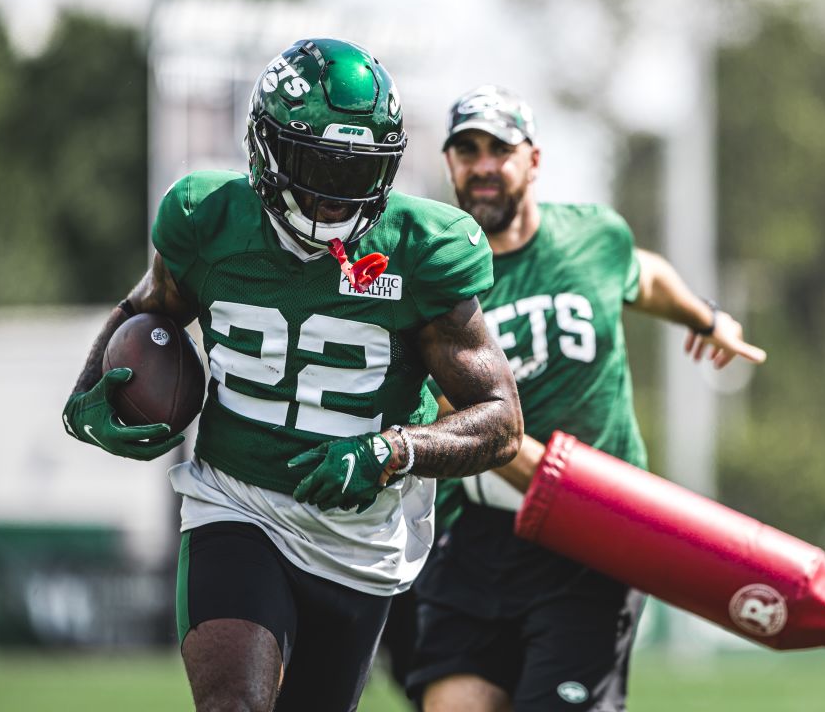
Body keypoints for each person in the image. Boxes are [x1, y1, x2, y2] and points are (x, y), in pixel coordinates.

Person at [60, 41, 523, 712]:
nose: (335, 196)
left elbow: (501, 421)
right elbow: (147, 309)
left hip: (359, 539)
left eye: (355, 169)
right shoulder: (208, 219)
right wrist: (86, 393)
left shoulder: (422, 251)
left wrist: (392, 450)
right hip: (238, 502)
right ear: (266, 148)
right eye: (315, 164)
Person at [406, 86, 767, 712]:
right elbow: (436, 405)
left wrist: (704, 317)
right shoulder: (435, 272)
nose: (483, 166)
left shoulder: (595, 237)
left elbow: (644, 274)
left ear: (534, 161)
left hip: (594, 542)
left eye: (500, 149)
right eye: (466, 150)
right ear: (451, 164)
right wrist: (535, 469)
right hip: (476, 545)